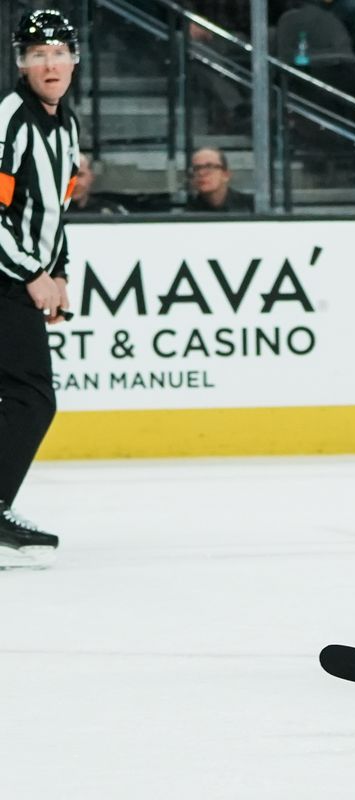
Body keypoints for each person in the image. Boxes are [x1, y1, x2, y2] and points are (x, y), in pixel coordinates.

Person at [0, 9, 82, 569]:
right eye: (37, 54)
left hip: (23, 277)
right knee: (31, 396)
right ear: (20, 63)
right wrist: (34, 274)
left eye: (57, 53)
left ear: (74, 60)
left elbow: (55, 210)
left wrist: (61, 273)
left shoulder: (66, 124)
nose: (49, 63)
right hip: (5, 277)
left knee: (21, 396)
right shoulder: (10, 118)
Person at [185, 147, 255, 212]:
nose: (201, 173)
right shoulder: (188, 214)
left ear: (226, 175)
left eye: (209, 167)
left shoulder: (252, 207)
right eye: (196, 168)